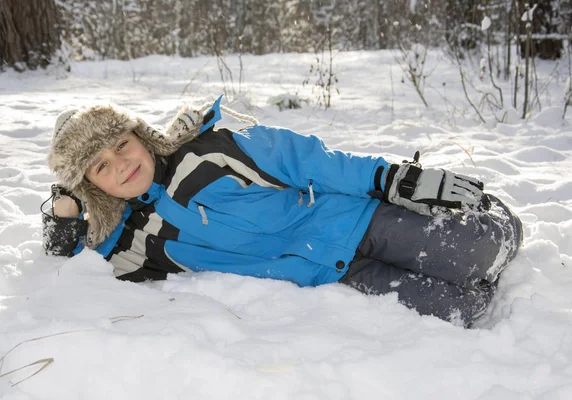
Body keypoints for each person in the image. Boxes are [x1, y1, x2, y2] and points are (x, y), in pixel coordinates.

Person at [41, 96, 523, 327]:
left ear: (139, 134)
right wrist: (67, 206)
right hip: (334, 273)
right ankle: (470, 280)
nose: (122, 165)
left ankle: (488, 212)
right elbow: (66, 258)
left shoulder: (208, 152)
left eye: (122, 145)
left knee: (485, 250)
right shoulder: (131, 241)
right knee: (462, 310)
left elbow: (308, 161)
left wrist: (393, 179)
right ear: (92, 188)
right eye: (101, 166)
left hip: (353, 220)